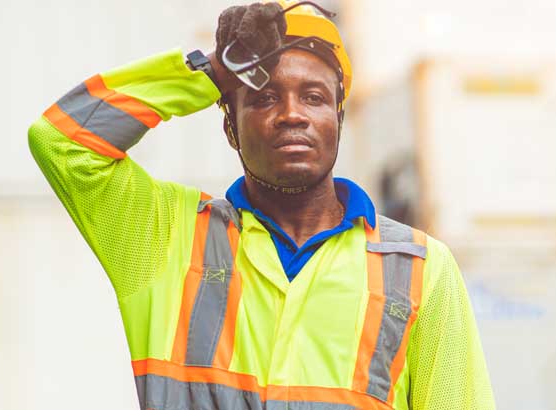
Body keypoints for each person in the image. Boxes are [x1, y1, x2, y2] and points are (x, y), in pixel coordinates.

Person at [28, 1, 495, 409]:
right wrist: (212, 72)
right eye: (264, 97)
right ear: (230, 128)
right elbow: (61, 141)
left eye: (313, 97)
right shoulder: (166, 238)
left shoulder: (419, 268)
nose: (292, 114)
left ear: (338, 118)